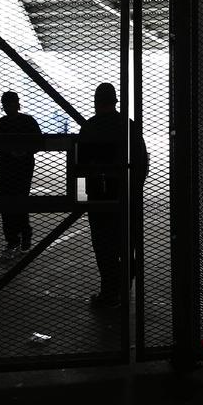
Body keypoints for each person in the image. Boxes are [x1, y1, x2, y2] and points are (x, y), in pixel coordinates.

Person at [77, 82, 148, 309]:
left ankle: (109, 292)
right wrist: (135, 187)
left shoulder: (90, 126)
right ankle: (126, 274)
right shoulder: (128, 125)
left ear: (96, 102)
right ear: (115, 102)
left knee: (103, 244)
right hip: (127, 194)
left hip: (100, 196)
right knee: (126, 239)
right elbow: (142, 162)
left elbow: (80, 164)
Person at [0, 91, 43, 259]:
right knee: (17, 203)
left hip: (9, 169)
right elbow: (39, 142)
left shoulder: (2, 124)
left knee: (10, 205)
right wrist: (25, 151)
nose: (7, 107)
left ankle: (16, 240)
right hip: (21, 169)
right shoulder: (27, 121)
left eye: (8, 103)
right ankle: (22, 238)